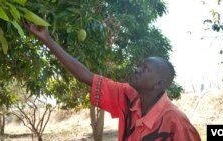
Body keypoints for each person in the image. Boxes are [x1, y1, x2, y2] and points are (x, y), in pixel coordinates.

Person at [23, 21, 201, 141]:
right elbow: (86, 76)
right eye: (139, 65)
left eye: (145, 68)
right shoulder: (128, 96)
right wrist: (47, 39)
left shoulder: (175, 122)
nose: (136, 69)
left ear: (159, 84)